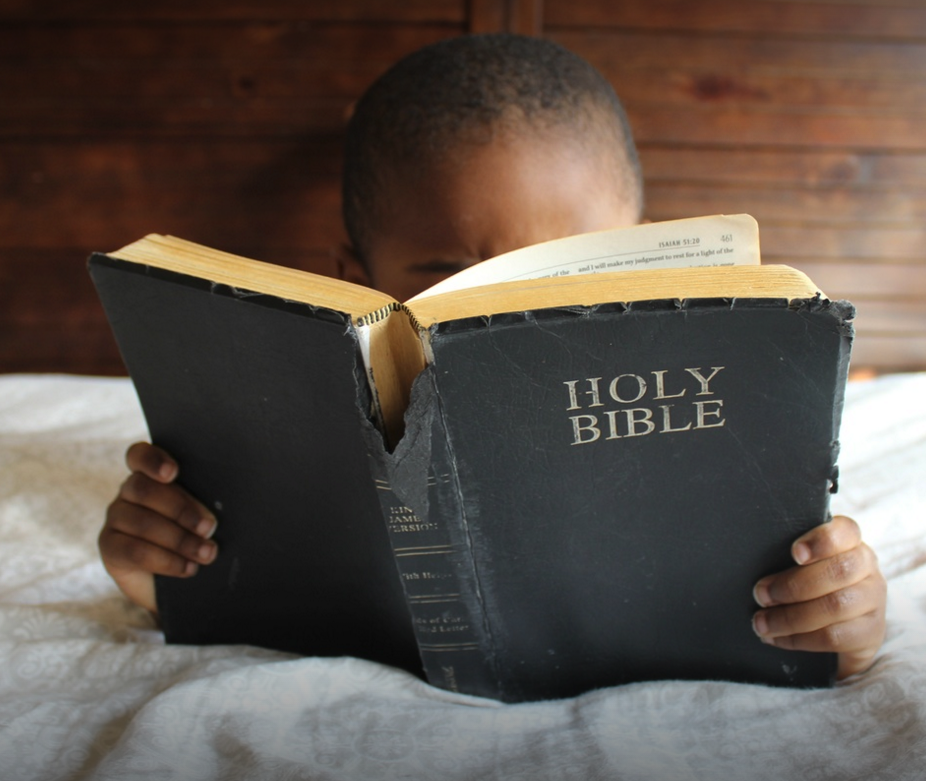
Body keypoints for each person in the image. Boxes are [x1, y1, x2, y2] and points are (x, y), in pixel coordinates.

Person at [98, 34, 887, 682]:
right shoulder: (294, 425)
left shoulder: (720, 405)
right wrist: (161, 574)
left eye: (571, 267)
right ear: (354, 280)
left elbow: (813, 606)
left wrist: (839, 619)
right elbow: (236, 581)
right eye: (453, 278)